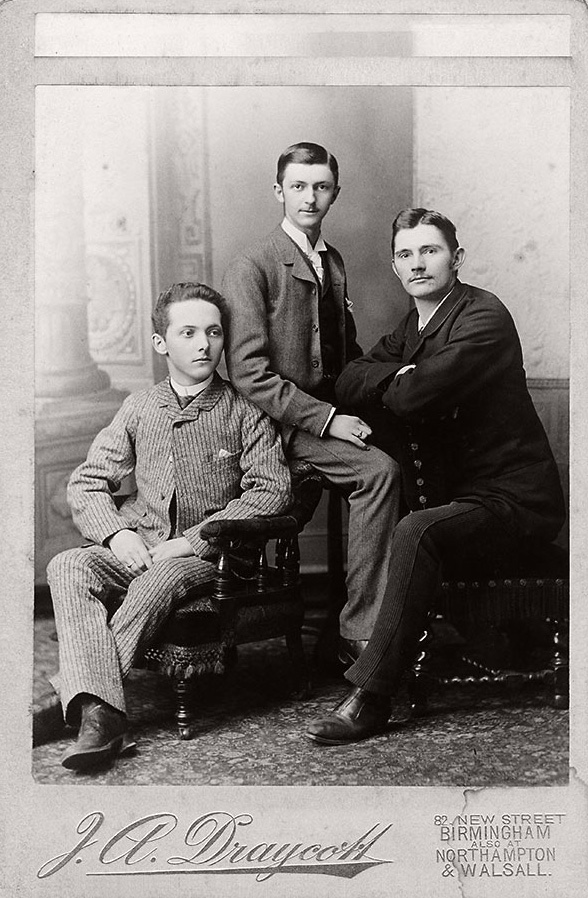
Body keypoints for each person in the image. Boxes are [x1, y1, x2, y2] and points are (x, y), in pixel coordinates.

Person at [306, 208, 566, 745]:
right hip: (467, 500)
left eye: (430, 251)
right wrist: (397, 375)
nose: (417, 264)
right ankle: (377, 674)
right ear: (396, 266)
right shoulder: (414, 326)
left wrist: (401, 380)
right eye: (406, 254)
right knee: (414, 519)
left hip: (516, 503)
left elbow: (414, 394)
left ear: (457, 258)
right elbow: (349, 378)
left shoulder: (483, 316)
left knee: (416, 529)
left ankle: (372, 697)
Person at [34, 283, 293, 770]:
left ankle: (85, 705)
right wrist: (117, 533)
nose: (203, 344)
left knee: (160, 579)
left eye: (213, 332)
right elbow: (86, 481)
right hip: (139, 541)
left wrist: (193, 541)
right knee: (67, 565)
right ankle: (100, 710)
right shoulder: (139, 407)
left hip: (210, 558)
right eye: (188, 332)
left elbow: (271, 491)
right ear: (161, 344)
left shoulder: (244, 408)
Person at [221, 142, 401, 661]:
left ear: (335, 194)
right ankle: (358, 632)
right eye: (298, 187)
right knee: (379, 473)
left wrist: (386, 384)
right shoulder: (253, 264)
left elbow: (345, 352)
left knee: (414, 449)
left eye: (321, 187)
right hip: (277, 426)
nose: (310, 198)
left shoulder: (332, 261)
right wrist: (328, 421)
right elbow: (250, 375)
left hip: (328, 415)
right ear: (278, 191)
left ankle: (399, 611)